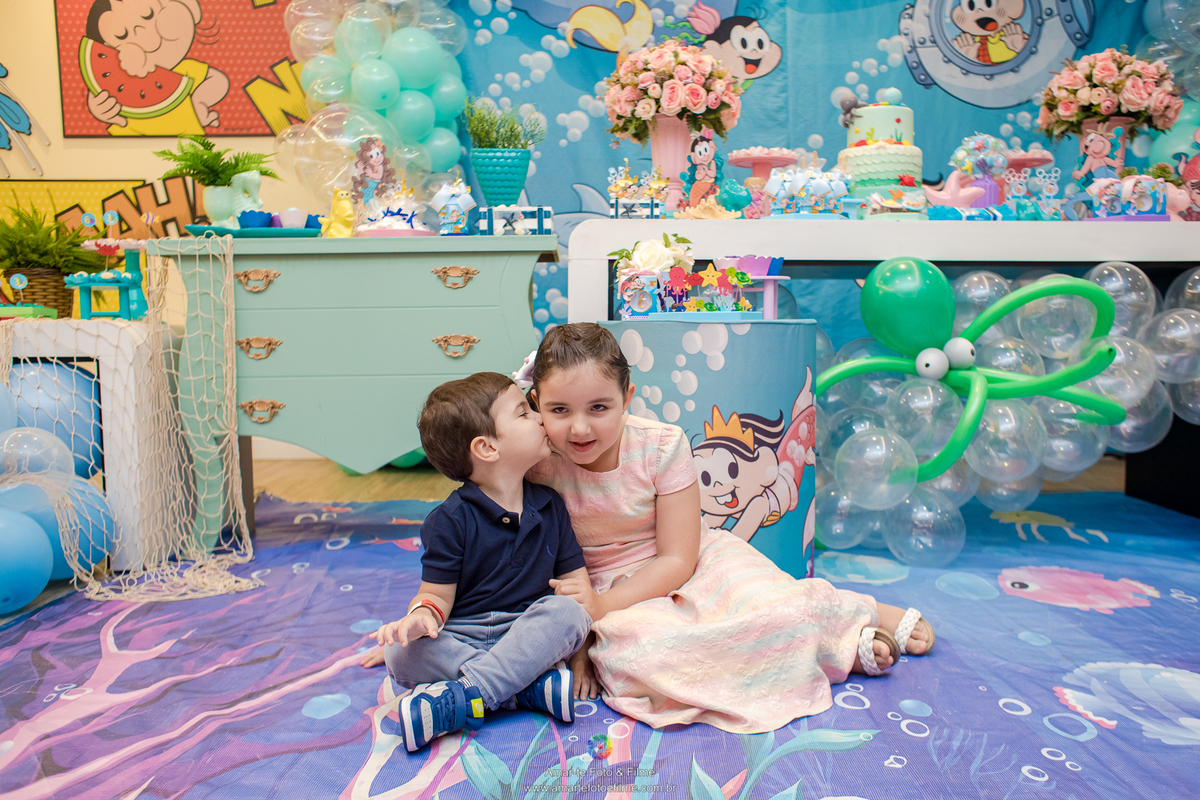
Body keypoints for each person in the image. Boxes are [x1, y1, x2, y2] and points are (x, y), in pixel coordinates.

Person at [523, 323, 935, 734]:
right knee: (645, 658)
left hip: (692, 562)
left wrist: (601, 607)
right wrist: (587, 624)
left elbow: (678, 557)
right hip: (605, 589)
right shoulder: (533, 458)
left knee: (774, 607)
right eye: (560, 410)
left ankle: (848, 623)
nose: (580, 428)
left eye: (599, 408)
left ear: (627, 398)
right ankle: (820, 648)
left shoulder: (659, 445)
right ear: (537, 403)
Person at [363, 372, 593, 752]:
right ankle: (522, 689)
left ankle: (468, 695)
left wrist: (582, 656)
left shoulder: (550, 506)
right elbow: (435, 595)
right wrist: (420, 617)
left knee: (569, 612)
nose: (540, 418)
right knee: (398, 654)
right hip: (464, 633)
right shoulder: (448, 520)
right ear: (487, 448)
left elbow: (577, 587)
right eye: (523, 412)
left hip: (527, 630)